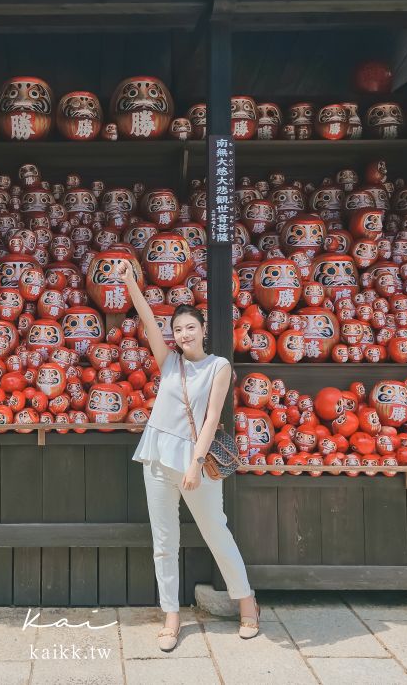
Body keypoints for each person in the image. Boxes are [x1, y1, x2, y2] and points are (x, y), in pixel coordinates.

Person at [114, 261, 259, 652]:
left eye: (189, 327)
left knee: (215, 531)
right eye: (177, 329)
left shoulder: (218, 367)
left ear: (202, 330)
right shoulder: (169, 362)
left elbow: (213, 417)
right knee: (165, 540)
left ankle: (246, 601)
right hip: (158, 457)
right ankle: (171, 614)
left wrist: (195, 464)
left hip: (197, 463)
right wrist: (130, 282)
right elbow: (147, 320)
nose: (183, 334)